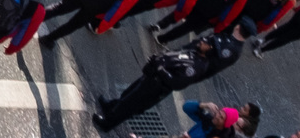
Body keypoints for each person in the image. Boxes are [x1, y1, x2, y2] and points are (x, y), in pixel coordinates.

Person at [91, 33, 244, 131]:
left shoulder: (198, 67)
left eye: (207, 42)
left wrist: (160, 68)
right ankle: (111, 106)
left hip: (157, 85)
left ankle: (108, 123)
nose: (203, 41)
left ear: (209, 50)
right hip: (152, 76)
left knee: (131, 104)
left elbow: (177, 83)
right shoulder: (195, 51)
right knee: (129, 93)